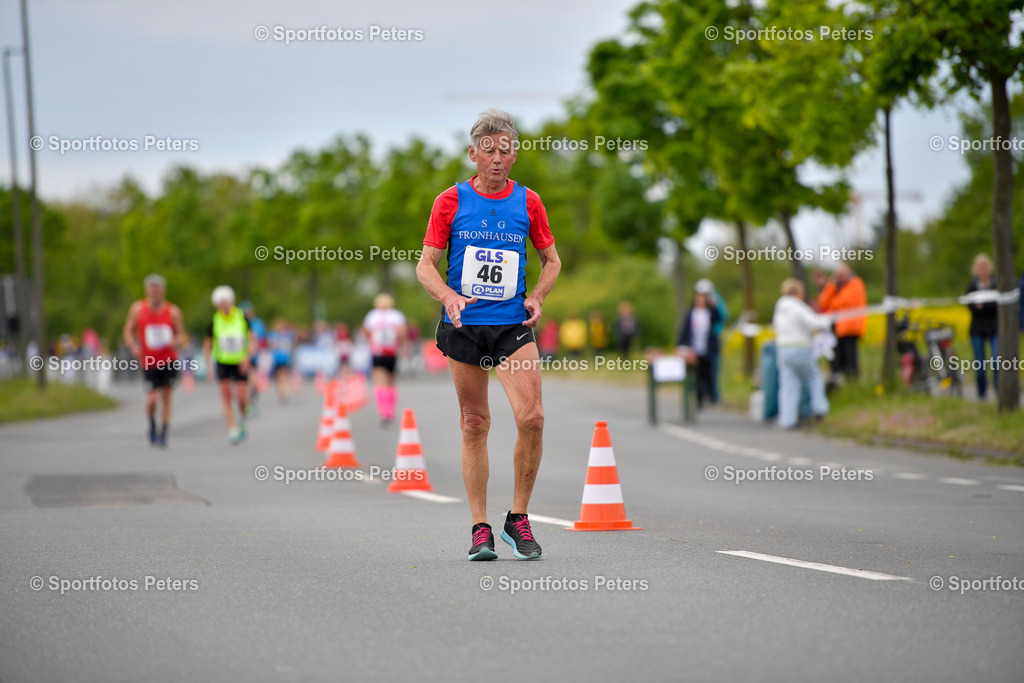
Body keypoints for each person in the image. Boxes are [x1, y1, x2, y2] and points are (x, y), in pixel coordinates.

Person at [416, 108, 561, 561]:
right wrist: (447, 296)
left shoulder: (529, 202)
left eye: (505, 150)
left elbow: (551, 260)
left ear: (515, 155)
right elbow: (425, 265)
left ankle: (517, 518)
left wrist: (536, 296)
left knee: (532, 417)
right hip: (465, 325)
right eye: (488, 150)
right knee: (474, 423)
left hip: (512, 326)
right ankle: (481, 528)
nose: (496, 158)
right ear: (473, 154)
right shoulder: (450, 201)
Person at [123, 274, 185, 447]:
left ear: (163, 291)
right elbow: (128, 331)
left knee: (166, 397)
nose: (155, 293)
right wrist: (133, 346)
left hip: (168, 359)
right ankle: (152, 423)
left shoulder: (173, 311)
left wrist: (177, 341)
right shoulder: (137, 309)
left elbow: (181, 334)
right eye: (152, 289)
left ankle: (163, 432)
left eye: (158, 289)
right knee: (151, 399)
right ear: (147, 291)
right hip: (149, 360)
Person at [773, 278, 831, 429]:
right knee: (814, 377)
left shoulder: (780, 307)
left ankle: (787, 419)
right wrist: (826, 321)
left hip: (783, 349)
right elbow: (814, 322)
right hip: (800, 347)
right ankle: (820, 409)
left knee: (788, 385)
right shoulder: (797, 306)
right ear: (797, 292)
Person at [203, 286, 253, 444]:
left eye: (227, 302)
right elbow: (207, 346)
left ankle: (242, 420)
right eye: (221, 303)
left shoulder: (242, 318)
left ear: (232, 302)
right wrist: (209, 366)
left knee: (242, 398)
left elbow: (252, 341)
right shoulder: (214, 322)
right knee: (226, 396)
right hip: (223, 361)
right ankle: (233, 428)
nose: (224, 306)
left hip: (240, 361)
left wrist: (247, 357)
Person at [362, 294, 408, 426]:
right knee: (391, 383)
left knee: (380, 383)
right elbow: (403, 333)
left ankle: (383, 412)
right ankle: (391, 412)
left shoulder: (372, 316)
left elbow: (366, 332)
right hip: (392, 353)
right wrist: (405, 347)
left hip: (377, 353)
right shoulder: (397, 316)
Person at [817, 263, 867, 384]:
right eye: (838, 275)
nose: (840, 277)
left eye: (842, 274)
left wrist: (832, 304)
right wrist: (831, 285)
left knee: (850, 359)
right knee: (836, 360)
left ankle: (853, 384)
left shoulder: (855, 283)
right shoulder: (835, 286)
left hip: (850, 328)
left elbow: (842, 302)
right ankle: (838, 384)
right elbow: (823, 302)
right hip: (838, 329)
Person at [677, 291, 721, 408]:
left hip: (707, 349)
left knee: (709, 373)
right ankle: (699, 399)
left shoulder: (709, 311)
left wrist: (713, 305)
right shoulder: (691, 313)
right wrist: (680, 345)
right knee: (697, 375)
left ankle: (712, 397)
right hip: (694, 349)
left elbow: (719, 318)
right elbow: (685, 330)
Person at [965, 254, 999, 399]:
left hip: (994, 328)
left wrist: (983, 306)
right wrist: (983, 306)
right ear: (976, 270)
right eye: (981, 268)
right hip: (977, 329)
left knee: (997, 361)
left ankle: (999, 392)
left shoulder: (997, 283)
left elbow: (998, 305)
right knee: (980, 364)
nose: (984, 270)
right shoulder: (972, 286)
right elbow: (970, 305)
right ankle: (982, 395)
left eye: (986, 267)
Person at [695, 279, 729, 403]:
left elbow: (723, 316)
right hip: (699, 342)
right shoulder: (696, 305)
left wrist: (713, 305)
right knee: (700, 370)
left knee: (713, 369)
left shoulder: (716, 301)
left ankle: (713, 395)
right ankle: (701, 394)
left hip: (713, 339)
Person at [240, 301, 267, 417]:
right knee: (243, 384)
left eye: (248, 312)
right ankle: (244, 405)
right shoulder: (238, 323)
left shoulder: (258, 324)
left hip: (253, 357)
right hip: (240, 357)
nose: (247, 314)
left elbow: (261, 340)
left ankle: (252, 402)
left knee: (254, 383)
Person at [267, 318, 295, 404]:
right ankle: (281, 392)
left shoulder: (287, 335)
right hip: (276, 358)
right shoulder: (273, 335)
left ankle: (284, 392)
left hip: (284, 358)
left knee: (283, 375)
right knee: (278, 377)